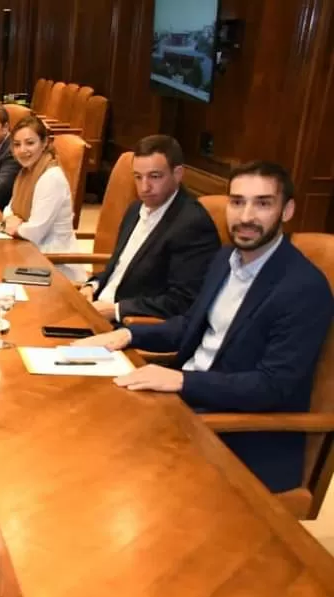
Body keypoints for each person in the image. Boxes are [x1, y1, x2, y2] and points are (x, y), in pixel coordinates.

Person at [76, 161, 333, 494]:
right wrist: (127, 334)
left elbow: (271, 386)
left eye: (263, 203)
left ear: (287, 210)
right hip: (186, 402)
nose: (246, 216)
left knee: (105, 463)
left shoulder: (303, 287)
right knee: (83, 413)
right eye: (237, 201)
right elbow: (189, 325)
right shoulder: (225, 259)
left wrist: (181, 380)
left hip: (241, 435)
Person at [80, 135, 221, 322]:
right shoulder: (134, 209)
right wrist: (93, 285)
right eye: (138, 177)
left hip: (130, 327)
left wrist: (116, 310)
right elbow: (117, 269)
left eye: (154, 177)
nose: (144, 187)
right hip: (97, 310)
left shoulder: (192, 224)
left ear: (178, 174)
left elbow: (183, 301)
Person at [0, 115, 83, 282]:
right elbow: (8, 208)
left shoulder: (51, 177)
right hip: (28, 252)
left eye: (30, 143)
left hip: (53, 265)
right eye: (17, 145)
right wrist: (11, 220)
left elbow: (34, 232)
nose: (23, 150)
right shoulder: (26, 172)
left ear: (44, 143)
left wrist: (16, 226)